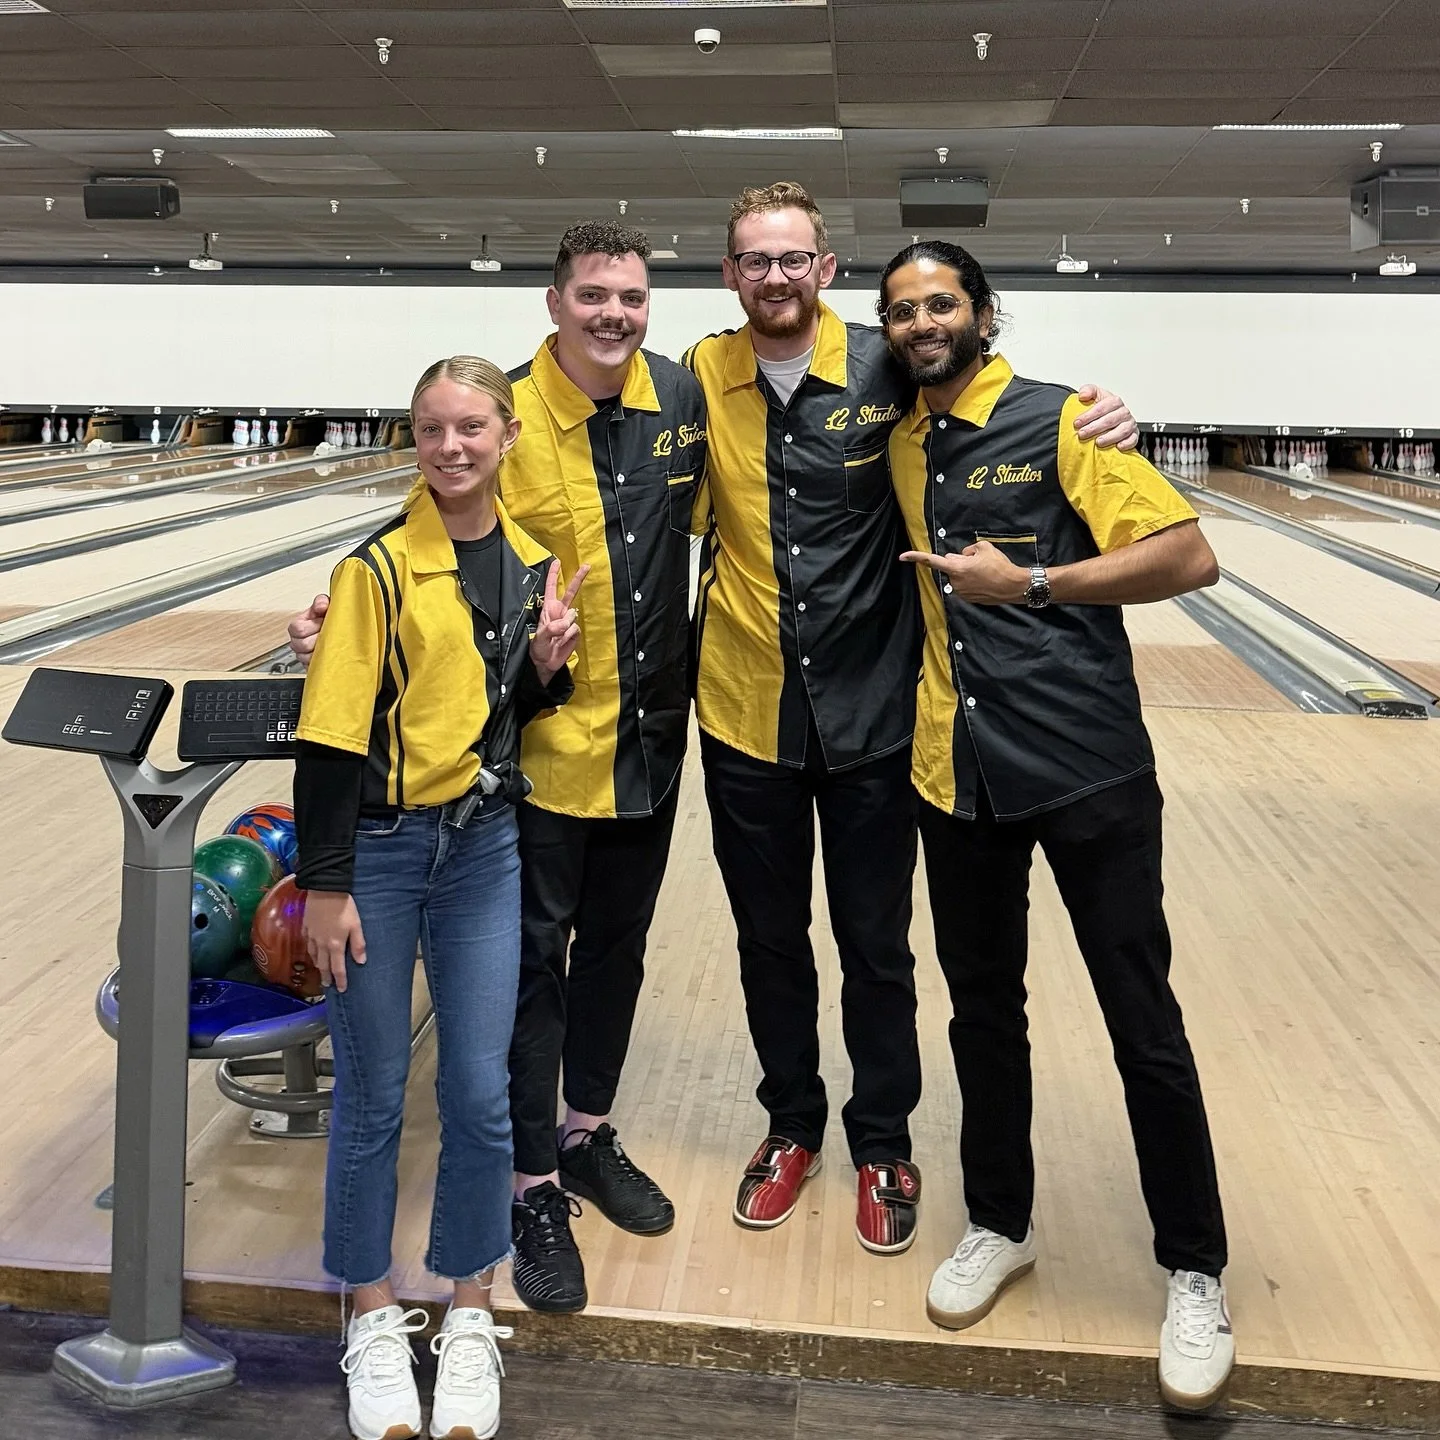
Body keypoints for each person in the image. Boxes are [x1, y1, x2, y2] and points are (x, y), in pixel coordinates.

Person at [682, 181, 1140, 1257]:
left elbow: (993, 395)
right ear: (731, 275)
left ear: (826, 269)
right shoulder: (701, 373)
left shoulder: (892, 364)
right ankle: (789, 1122)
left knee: (875, 944)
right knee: (767, 940)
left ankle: (882, 1137)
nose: (777, 277)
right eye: (756, 260)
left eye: (796, 258)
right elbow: (536, 426)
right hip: (745, 709)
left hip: (877, 713)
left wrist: (1108, 414)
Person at [290, 222, 707, 1317]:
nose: (613, 313)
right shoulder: (506, 415)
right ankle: (528, 1184)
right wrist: (345, 616)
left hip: (648, 742)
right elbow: (437, 527)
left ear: (649, 303)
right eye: (592, 295)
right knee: (531, 974)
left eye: (631, 295)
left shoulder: (681, 402)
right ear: (555, 302)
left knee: (617, 950)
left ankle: (585, 1134)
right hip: (528, 758)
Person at [877, 240, 1231, 1411]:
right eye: (901, 310)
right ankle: (999, 1221)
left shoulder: (1070, 422)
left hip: (1085, 768)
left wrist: (1030, 585)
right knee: (984, 1015)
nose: (922, 322)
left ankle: (1194, 1269)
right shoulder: (902, 443)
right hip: (956, 774)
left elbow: (1190, 555)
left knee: (1144, 1022)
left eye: (940, 302)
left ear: (982, 312)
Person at [294, 355, 583, 1440]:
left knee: (475, 1092)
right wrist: (324, 884)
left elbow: (501, 719)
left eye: (471, 428)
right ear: (413, 441)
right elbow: (329, 740)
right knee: (370, 1096)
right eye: (430, 430)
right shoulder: (373, 572)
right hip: (373, 853)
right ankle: (368, 1312)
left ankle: (471, 1303)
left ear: (509, 436)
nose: (451, 448)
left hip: (483, 852)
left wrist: (545, 670)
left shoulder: (525, 563)